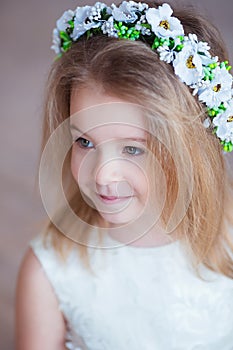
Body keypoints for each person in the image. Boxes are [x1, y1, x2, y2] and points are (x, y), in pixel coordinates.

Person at [16, 1, 233, 349]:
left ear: (190, 150)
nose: (102, 175)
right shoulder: (50, 272)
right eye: (84, 141)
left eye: (133, 149)